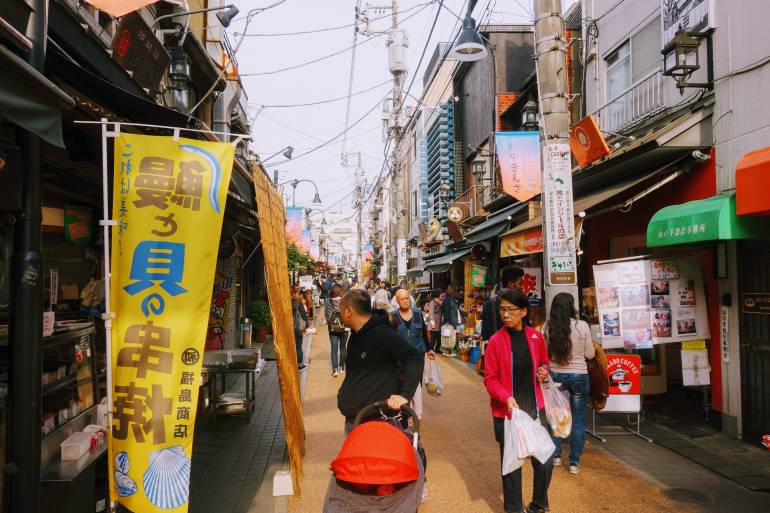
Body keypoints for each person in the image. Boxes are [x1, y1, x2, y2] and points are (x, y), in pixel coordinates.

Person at [483, 289, 552, 513]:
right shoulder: (495, 341)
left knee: (545, 459)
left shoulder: (536, 338)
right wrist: (505, 397)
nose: (505, 314)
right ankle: (513, 509)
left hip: (535, 408)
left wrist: (543, 370)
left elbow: (544, 362)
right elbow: (490, 378)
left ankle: (538, 503)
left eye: (510, 310)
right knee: (512, 464)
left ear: (523, 311)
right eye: (502, 310)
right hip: (507, 412)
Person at [337, 289, 424, 435]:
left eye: (340, 308)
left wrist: (405, 395)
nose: (339, 312)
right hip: (355, 420)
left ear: (349, 311)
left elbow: (414, 356)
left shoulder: (382, 334)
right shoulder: (355, 335)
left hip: (375, 424)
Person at [542, 292, 594, 474]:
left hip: (555, 376)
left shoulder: (547, 327)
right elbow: (590, 355)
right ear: (572, 307)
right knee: (578, 420)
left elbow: (543, 354)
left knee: (556, 416)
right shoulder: (582, 326)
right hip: (579, 376)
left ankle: (556, 456)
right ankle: (574, 462)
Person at [392, 289, 433, 420]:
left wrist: (429, 349)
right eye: (402, 299)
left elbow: (424, 333)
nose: (405, 301)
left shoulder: (417, 313)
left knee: (416, 383)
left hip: (417, 356)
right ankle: (405, 412)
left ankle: (415, 414)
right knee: (403, 384)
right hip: (401, 357)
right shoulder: (393, 316)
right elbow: (391, 338)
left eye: (407, 298)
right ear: (397, 301)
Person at [481, 266, 526, 342]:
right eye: (520, 283)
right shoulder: (519, 303)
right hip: (516, 347)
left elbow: (485, 334)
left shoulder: (488, 304)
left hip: (495, 347)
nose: (522, 287)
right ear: (510, 284)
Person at [325, 283, 348, 377]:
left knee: (334, 349)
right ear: (341, 291)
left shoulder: (328, 301)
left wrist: (329, 322)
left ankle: (335, 370)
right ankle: (342, 367)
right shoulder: (345, 301)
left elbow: (326, 314)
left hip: (333, 327)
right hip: (344, 327)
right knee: (343, 348)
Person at [291, 287, 308, 371]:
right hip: (297, 329)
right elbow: (304, 316)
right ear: (294, 293)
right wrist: (305, 327)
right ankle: (299, 365)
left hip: (287, 329)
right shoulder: (298, 303)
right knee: (298, 347)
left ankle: (290, 364)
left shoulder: (284, 303)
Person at [423, 289, 444, 353]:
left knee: (439, 339)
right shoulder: (432, 302)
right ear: (437, 294)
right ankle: (431, 350)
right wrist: (432, 324)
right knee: (433, 339)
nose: (441, 295)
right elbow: (430, 314)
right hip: (434, 325)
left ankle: (437, 349)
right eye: (440, 294)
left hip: (439, 323)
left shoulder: (440, 302)